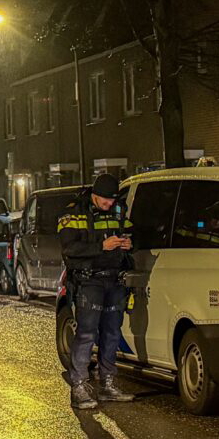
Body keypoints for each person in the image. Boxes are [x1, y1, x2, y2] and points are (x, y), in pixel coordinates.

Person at [58, 173, 135, 409]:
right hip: (88, 280)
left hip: (113, 279)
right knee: (87, 334)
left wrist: (129, 243)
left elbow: (131, 231)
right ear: (94, 195)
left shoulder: (118, 210)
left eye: (112, 200)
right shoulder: (73, 213)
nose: (109, 204)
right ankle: (79, 386)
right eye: (105, 200)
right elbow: (69, 248)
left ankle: (107, 384)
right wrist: (101, 246)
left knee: (112, 332)